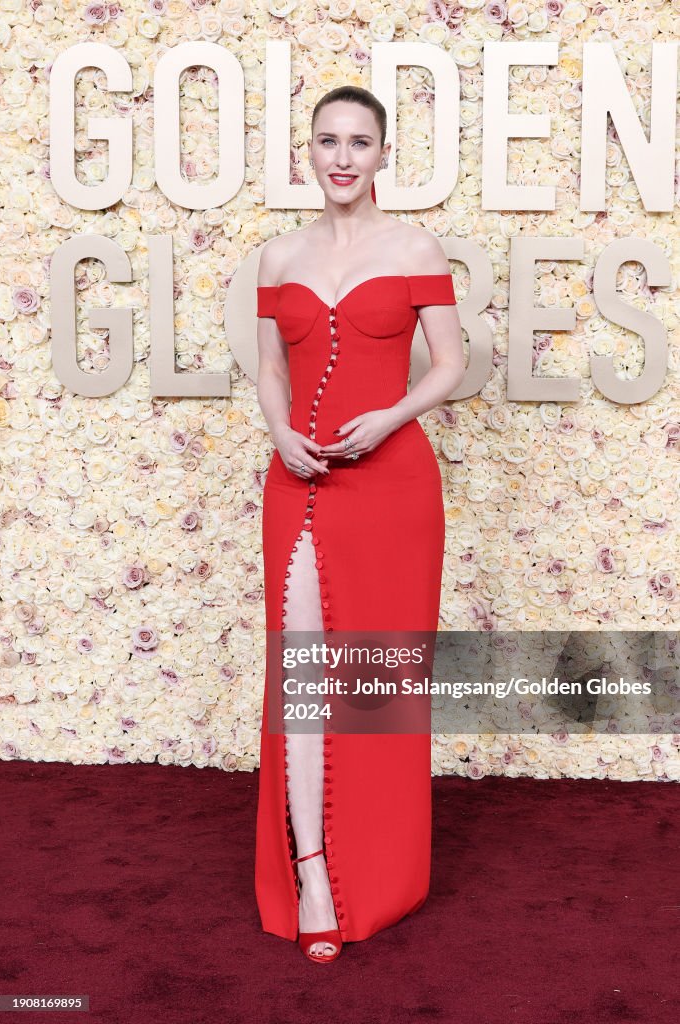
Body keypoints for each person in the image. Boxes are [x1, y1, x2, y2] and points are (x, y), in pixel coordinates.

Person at [255, 85, 465, 963]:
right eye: (327, 141)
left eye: (360, 142)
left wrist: (388, 418)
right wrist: (278, 432)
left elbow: (449, 365)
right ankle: (309, 871)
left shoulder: (415, 246)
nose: (342, 156)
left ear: (383, 154)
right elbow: (268, 371)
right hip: (297, 482)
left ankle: (374, 874)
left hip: (394, 490)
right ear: (309, 151)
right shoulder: (276, 256)